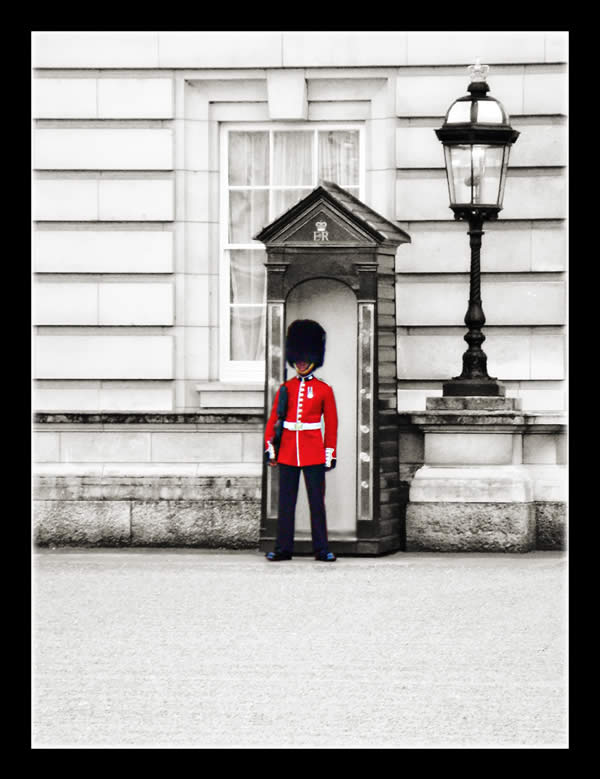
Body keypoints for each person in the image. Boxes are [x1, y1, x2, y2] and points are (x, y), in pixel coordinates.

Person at [264, 319, 338, 562]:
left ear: (313, 359)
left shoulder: (324, 389)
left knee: (317, 503)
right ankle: (283, 548)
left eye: (304, 359)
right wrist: (271, 448)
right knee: (286, 503)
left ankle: (322, 548)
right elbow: (275, 418)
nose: (301, 363)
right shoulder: (286, 388)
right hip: (287, 451)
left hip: (314, 451)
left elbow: (332, 424)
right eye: (298, 359)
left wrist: (329, 452)